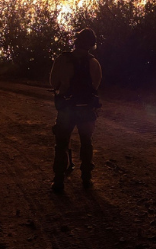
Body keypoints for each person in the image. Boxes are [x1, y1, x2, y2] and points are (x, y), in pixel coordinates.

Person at [49, 28, 102, 193]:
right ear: (91, 44)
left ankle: (58, 181)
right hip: (86, 110)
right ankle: (86, 179)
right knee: (86, 143)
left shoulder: (62, 59)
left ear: (76, 41)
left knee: (61, 144)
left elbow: (53, 83)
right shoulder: (94, 63)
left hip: (66, 109)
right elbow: (96, 86)